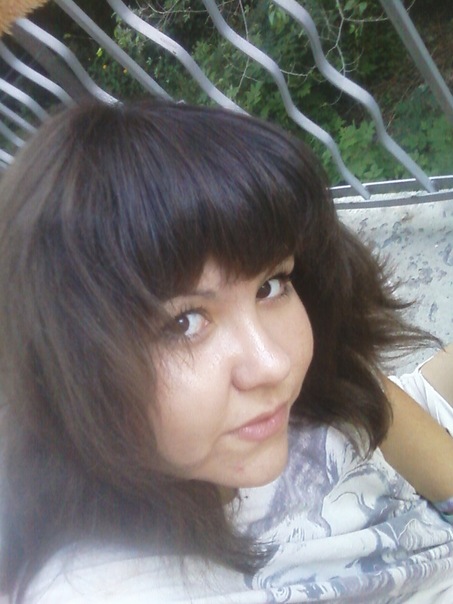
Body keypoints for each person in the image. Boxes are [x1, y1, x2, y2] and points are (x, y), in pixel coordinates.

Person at [0, 99, 452, 604]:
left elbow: (378, 409)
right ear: (68, 368)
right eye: (184, 322)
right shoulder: (102, 585)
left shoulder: (294, 400)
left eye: (270, 286)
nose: (274, 364)